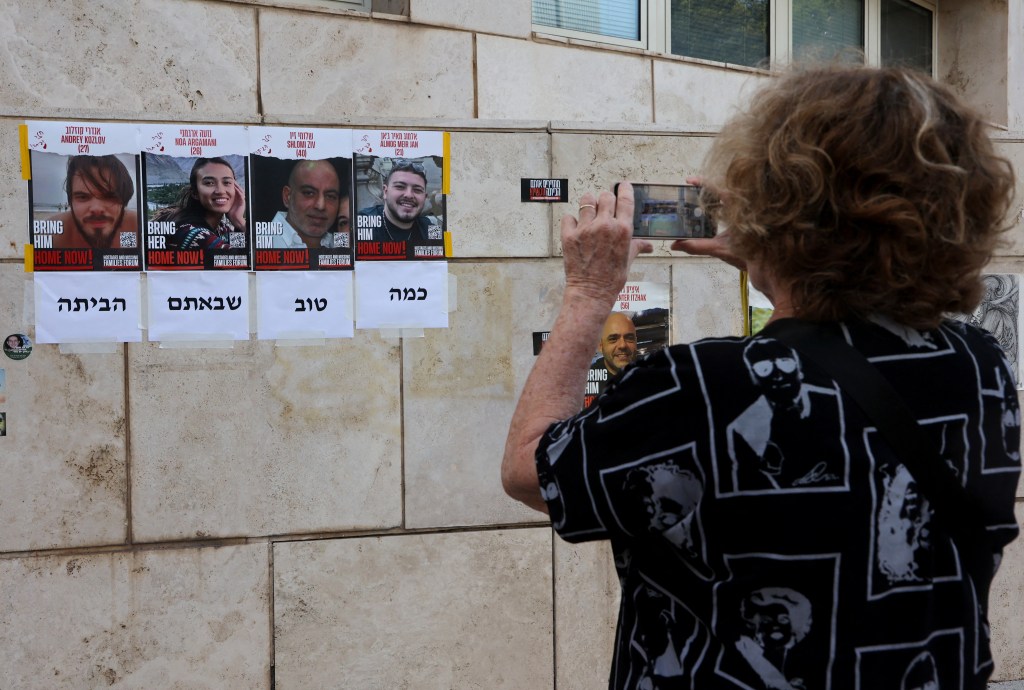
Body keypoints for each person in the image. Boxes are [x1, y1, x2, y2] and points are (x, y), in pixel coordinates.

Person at [502, 65, 1019, 689]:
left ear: (777, 207)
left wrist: (588, 293)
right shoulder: (979, 365)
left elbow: (531, 468)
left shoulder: (701, 386)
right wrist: (778, 260)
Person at [153, 157, 246, 250]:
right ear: (195, 193)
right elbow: (243, 259)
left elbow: (240, 247)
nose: (220, 191)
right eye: (209, 183)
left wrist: (238, 221)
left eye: (227, 182)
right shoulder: (193, 233)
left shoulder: (221, 228)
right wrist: (242, 224)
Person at [47, 155, 138, 249]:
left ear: (124, 198)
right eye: (83, 197)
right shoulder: (53, 235)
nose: (96, 208)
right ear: (71, 201)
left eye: (109, 197)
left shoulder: (136, 227)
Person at [357, 159, 439, 242]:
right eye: (400, 187)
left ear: (425, 197)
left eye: (417, 190)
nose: (409, 195)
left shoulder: (429, 227)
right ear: (385, 192)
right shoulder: (363, 222)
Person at [271, 160, 345, 250]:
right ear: (287, 197)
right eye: (309, 193)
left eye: (330, 196)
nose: (320, 206)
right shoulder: (260, 243)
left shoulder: (339, 242)